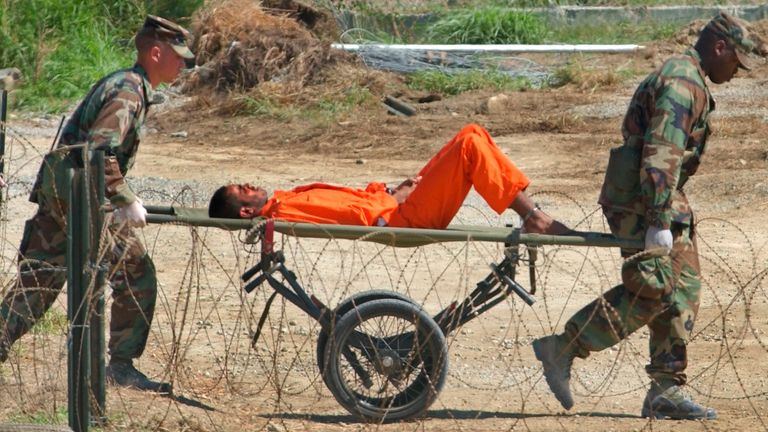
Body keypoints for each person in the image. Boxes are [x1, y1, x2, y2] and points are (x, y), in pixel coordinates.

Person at [531, 11, 754, 420]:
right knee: (655, 288)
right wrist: (657, 220)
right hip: (643, 199)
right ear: (719, 47)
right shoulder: (682, 84)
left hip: (659, 198)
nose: (737, 72)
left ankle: (665, 389)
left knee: (680, 292)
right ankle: (564, 346)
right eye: (736, 62)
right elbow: (660, 153)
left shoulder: (689, 77)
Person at [0, 16, 194, 393]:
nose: (182, 64)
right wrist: (124, 199)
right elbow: (98, 150)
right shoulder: (129, 91)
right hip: (80, 194)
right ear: (156, 53)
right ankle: (120, 366)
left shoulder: (131, 84)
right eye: (178, 56)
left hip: (64, 188)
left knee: (40, 278)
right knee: (136, 271)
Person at [209, 123, 569, 236]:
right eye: (244, 191)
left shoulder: (283, 200)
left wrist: (392, 189)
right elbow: (357, 217)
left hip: (397, 204)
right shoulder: (287, 209)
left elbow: (354, 200)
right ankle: (533, 217)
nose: (252, 186)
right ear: (244, 212)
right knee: (471, 147)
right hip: (403, 219)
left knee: (470, 131)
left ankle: (528, 210)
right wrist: (396, 200)